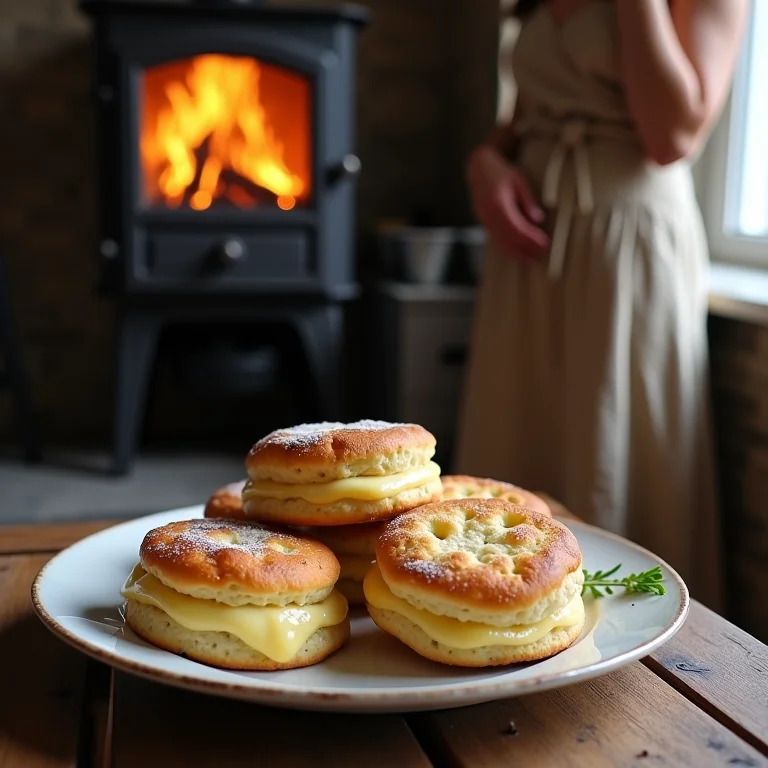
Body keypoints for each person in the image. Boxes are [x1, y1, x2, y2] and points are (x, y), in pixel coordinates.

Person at [454, 0, 749, 610]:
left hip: (627, 245)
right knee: (515, 439)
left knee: (613, 450)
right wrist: (485, 161)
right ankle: (490, 609)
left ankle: (635, 647)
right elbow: (526, 113)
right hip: (531, 246)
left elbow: (673, 136)